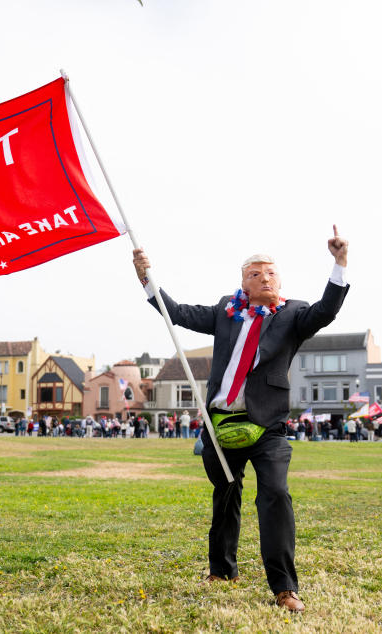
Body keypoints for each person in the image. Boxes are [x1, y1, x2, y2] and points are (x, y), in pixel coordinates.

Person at [132, 226, 349, 613]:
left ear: (279, 282)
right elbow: (177, 313)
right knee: (226, 493)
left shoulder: (294, 314)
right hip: (222, 424)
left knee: (276, 495)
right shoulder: (224, 312)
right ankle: (222, 569)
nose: (264, 278)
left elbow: (326, 311)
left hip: (268, 426)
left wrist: (339, 263)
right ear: (243, 284)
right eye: (255, 274)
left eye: (271, 273)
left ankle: (284, 588)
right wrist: (147, 277)